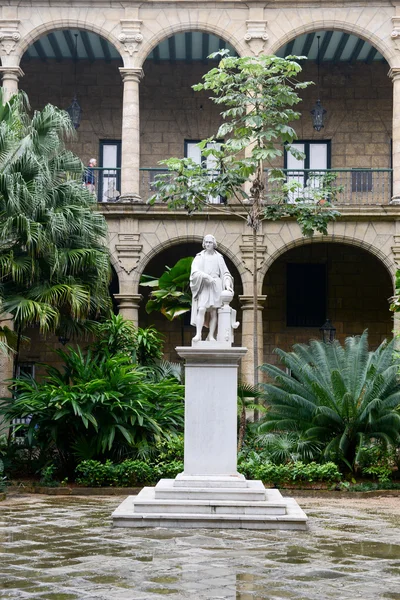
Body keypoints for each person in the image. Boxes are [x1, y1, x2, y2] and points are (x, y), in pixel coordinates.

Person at [190, 234, 234, 342]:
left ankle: (211, 335)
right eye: (206, 242)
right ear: (204, 244)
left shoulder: (219, 257)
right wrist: (205, 276)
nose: (208, 244)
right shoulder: (200, 256)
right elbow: (194, 272)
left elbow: (225, 273)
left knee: (214, 312)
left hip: (216, 285)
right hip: (204, 284)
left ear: (214, 244)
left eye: (210, 242)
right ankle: (198, 334)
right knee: (201, 309)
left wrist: (227, 285)